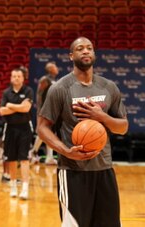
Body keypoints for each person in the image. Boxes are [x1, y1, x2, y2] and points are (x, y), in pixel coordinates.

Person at [37, 37, 129, 227]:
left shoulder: (109, 87)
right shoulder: (60, 88)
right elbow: (42, 127)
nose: (85, 51)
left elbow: (123, 127)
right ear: (71, 56)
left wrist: (102, 116)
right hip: (72, 172)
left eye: (89, 48)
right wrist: (65, 151)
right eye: (80, 48)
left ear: (94, 54)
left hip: (104, 169)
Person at [0, 68, 33, 200]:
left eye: (19, 76)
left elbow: (27, 108)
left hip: (25, 128)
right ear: (11, 78)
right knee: (11, 159)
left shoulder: (28, 91)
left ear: (23, 78)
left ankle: (25, 189)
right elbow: (2, 111)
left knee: (24, 159)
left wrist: (10, 105)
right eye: (14, 76)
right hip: (10, 129)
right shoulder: (6, 92)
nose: (17, 78)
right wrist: (19, 107)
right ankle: (13, 186)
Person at [29, 62, 59, 165]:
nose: (56, 68)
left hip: (52, 110)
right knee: (43, 132)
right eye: (54, 67)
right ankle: (33, 152)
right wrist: (41, 110)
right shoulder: (44, 80)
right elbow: (39, 95)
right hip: (44, 111)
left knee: (49, 134)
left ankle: (49, 157)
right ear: (50, 69)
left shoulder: (54, 80)